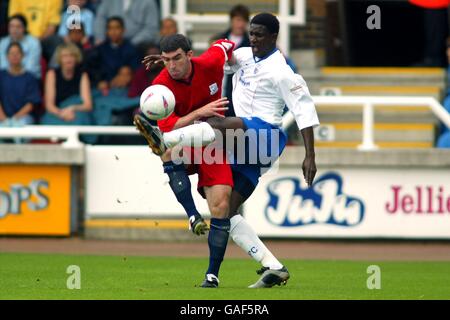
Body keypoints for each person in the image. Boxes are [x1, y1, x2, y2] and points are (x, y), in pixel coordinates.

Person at [136, 13, 320, 288]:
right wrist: (165, 61)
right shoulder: (244, 55)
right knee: (226, 212)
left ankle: (165, 141)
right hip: (243, 147)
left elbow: (304, 110)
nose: (253, 39)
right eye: (251, 33)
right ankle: (274, 267)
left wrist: (310, 155)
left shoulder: (283, 72)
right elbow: (221, 57)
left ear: (273, 37)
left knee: (218, 122)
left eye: (259, 34)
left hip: (265, 136)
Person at [41, 43, 93, 127]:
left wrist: (72, 108)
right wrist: (62, 113)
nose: (68, 60)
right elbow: (49, 105)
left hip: (76, 111)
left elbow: (87, 105)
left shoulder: (83, 75)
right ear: (60, 59)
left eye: (71, 56)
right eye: (64, 56)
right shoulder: (51, 74)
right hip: (57, 112)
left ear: (76, 58)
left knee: (81, 119)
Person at [0, 42, 40, 141]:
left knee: (21, 130)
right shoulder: (1, 76)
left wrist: (14, 119)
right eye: (11, 53)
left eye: (17, 53)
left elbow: (31, 104)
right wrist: (4, 119)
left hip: (23, 118)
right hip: (2, 118)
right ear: (7, 56)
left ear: (23, 56)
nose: (14, 56)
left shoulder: (30, 77)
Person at [216, 4, 251, 116]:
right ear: (232, 20)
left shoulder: (252, 43)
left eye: (244, 21)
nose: (240, 24)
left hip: (242, 92)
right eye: (238, 20)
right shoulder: (218, 40)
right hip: (221, 89)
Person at [93, 0, 159, 47]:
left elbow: (151, 28)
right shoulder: (108, 1)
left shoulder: (149, 2)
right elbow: (100, 19)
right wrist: (100, 37)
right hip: (110, 42)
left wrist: (131, 44)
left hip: (138, 45)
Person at [0, 14, 42, 79]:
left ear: (24, 28)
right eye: (11, 26)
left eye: (18, 27)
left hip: (29, 78)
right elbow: (2, 66)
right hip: (7, 78)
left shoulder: (34, 43)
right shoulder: (3, 42)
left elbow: (31, 68)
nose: (14, 29)